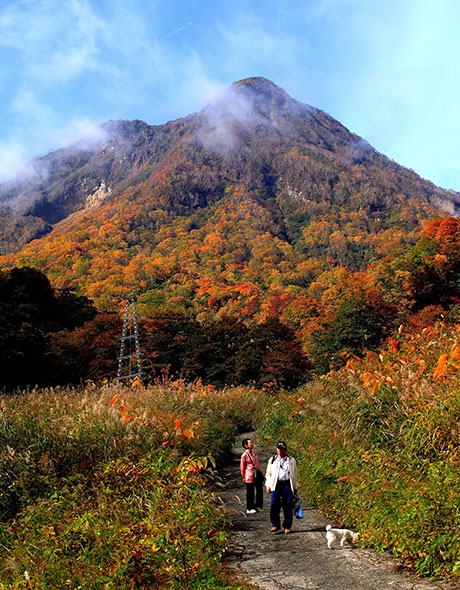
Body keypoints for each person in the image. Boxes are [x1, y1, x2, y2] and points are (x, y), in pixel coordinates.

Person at [265, 441, 298, 534]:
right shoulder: (272, 460)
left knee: (287, 506)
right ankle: (275, 524)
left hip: (287, 484)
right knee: (274, 504)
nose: (280, 451)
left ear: (285, 450)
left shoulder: (291, 460)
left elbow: (294, 474)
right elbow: (268, 474)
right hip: (276, 484)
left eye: (282, 449)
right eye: (278, 449)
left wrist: (295, 486)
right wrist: (268, 485)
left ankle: (287, 526)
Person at [240, 438, 264, 514]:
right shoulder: (244, 455)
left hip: (257, 475)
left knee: (259, 491)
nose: (252, 444)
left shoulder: (254, 454)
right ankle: (249, 507)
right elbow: (242, 467)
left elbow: (257, 464)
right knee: (250, 493)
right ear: (246, 445)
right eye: (250, 443)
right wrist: (244, 476)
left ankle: (258, 506)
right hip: (249, 476)